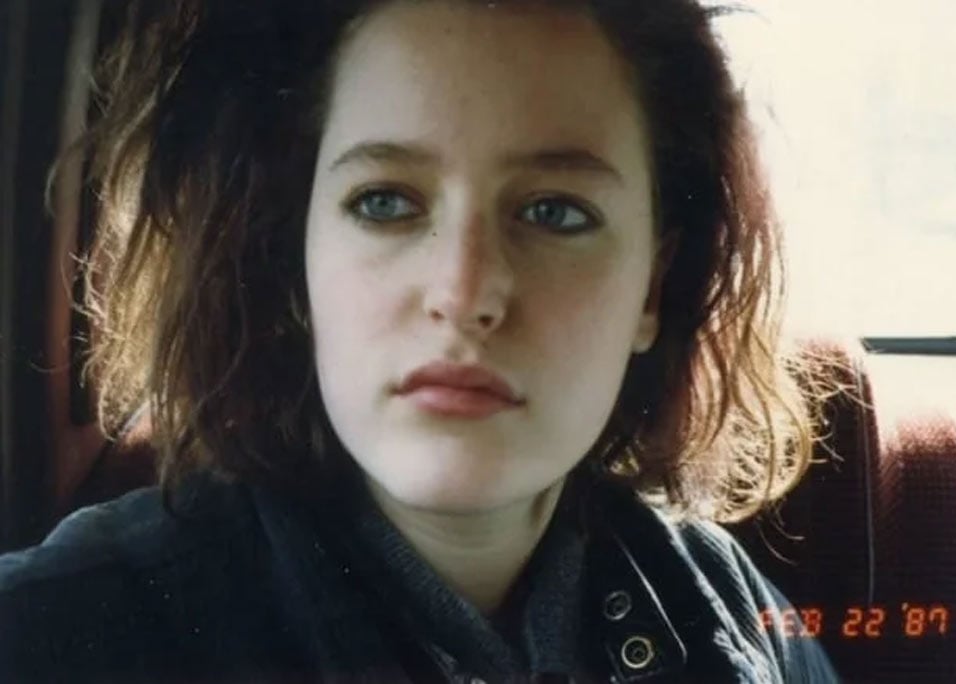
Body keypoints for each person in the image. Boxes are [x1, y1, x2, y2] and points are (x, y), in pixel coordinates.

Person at [0, 0, 839, 681]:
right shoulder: (59, 632)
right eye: (385, 203)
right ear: (295, 263)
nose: (464, 293)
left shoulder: (732, 612)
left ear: (651, 289)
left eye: (554, 212)